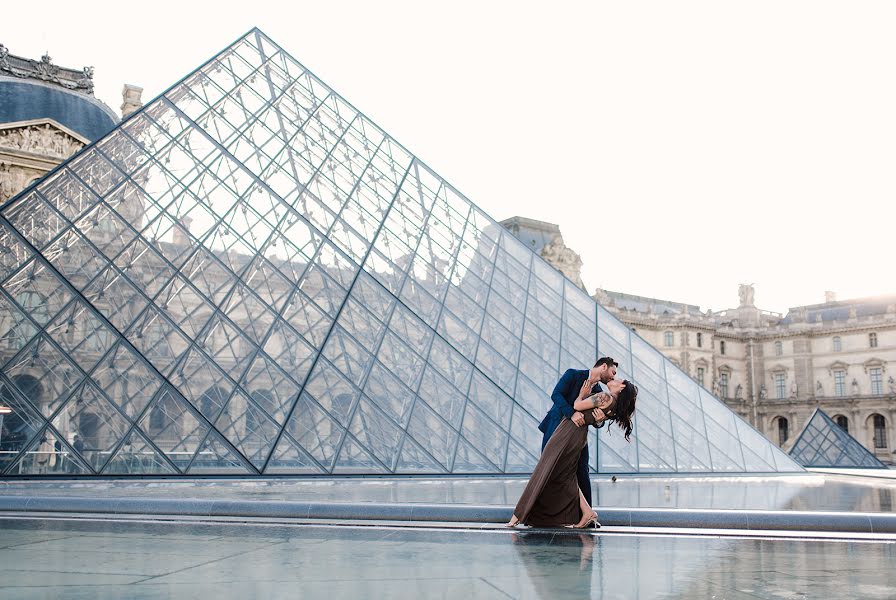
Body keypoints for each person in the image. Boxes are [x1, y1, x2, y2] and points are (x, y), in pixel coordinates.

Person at [508, 377, 637, 529]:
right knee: (565, 474)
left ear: (621, 388)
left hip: (568, 433)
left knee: (544, 469)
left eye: (617, 379)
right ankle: (587, 512)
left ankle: (517, 515)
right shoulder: (613, 405)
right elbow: (593, 416)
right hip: (577, 435)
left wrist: (582, 393)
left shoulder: (605, 397)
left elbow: (577, 405)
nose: (613, 378)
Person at [538, 357, 617, 506]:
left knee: (582, 472)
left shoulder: (599, 392)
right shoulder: (573, 374)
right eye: (613, 372)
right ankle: (543, 514)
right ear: (604, 366)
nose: (613, 377)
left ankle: (587, 516)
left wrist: (599, 420)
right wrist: (571, 413)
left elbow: (596, 421)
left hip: (578, 436)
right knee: (548, 470)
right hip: (555, 429)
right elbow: (556, 394)